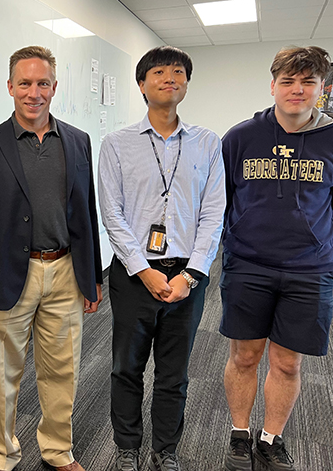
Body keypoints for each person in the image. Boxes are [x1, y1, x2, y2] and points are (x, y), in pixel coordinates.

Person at [0, 45, 103, 471]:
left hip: (64, 271)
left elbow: (86, 212)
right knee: (4, 378)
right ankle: (1, 456)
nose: (34, 92)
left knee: (62, 372)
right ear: (10, 87)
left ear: (54, 87)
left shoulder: (78, 141)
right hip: (7, 276)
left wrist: (92, 276)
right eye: (25, 83)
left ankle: (58, 450)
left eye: (43, 83)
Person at [97, 46, 225, 471]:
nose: (169, 78)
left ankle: (165, 450)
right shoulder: (116, 144)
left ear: (186, 84)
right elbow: (111, 213)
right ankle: (128, 446)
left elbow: (213, 213)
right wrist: (143, 270)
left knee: (174, 373)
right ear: (141, 85)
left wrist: (192, 274)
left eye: (177, 72)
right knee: (125, 368)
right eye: (158, 72)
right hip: (134, 277)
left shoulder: (208, 143)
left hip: (187, 274)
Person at [220, 46, 333, 471]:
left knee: (287, 362)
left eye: (308, 82)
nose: (297, 90)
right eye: (288, 81)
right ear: (273, 86)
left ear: (322, 89)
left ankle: (271, 439)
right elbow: (222, 201)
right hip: (249, 265)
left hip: (311, 270)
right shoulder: (240, 138)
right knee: (244, 356)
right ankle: (239, 435)